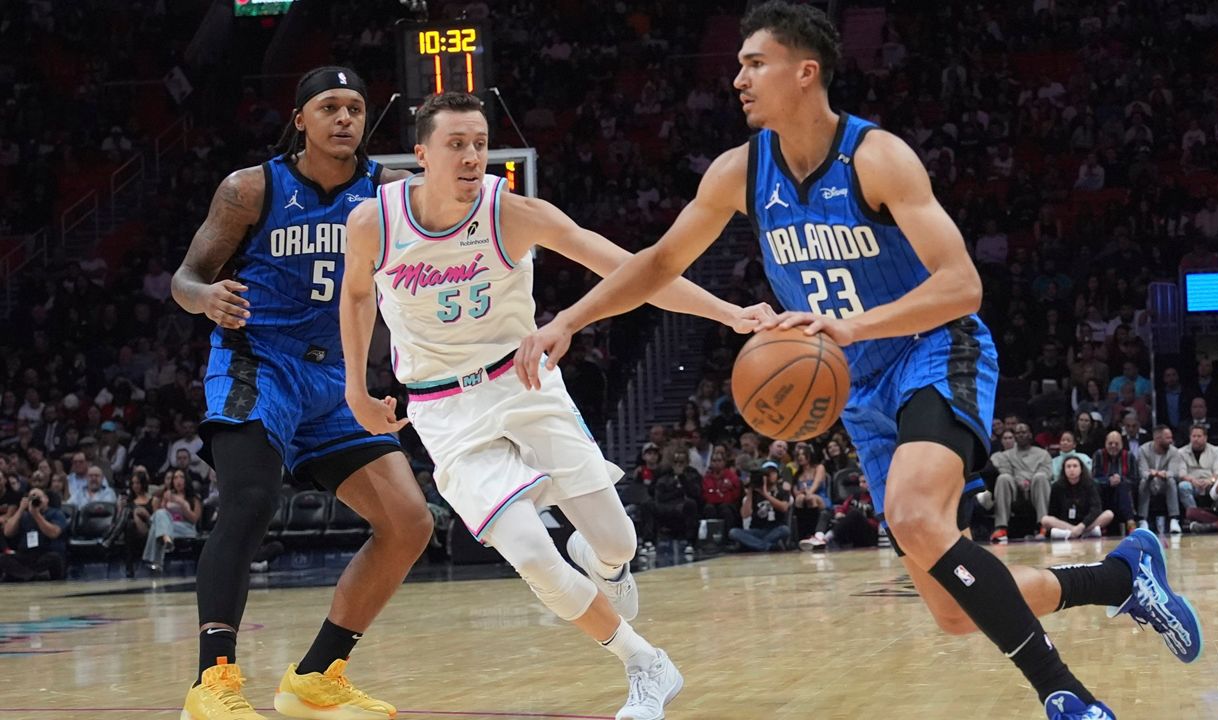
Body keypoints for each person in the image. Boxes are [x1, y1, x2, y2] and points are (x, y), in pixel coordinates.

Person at [515, 5, 1201, 718]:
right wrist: (570, 319)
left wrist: (852, 325)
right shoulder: (739, 173)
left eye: (755, 63)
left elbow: (961, 284)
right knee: (954, 609)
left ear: (804, 71)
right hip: (860, 384)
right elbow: (659, 263)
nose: (738, 78)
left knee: (909, 513)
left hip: (935, 349)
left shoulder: (876, 157)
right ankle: (1120, 578)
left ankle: (1069, 697)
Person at [340, 91, 763, 719]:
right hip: (443, 412)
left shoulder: (512, 214)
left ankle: (603, 560)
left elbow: (633, 270)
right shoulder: (373, 222)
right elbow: (355, 298)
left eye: (479, 144)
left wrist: (729, 313)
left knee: (617, 541)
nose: (471, 157)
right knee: (533, 555)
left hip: (524, 385)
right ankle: (646, 666)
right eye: (456, 144)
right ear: (421, 154)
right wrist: (355, 387)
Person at [170, 66, 433, 720]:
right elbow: (185, 278)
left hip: (336, 379)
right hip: (260, 365)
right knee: (252, 501)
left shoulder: (389, 192)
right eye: (329, 107)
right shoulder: (250, 189)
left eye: (354, 107)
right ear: (300, 120)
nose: (344, 118)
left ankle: (316, 675)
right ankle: (214, 683)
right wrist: (206, 298)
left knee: (408, 522)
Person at [0, 487, 70, 581]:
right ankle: (29, 575)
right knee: (3, 558)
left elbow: (53, 533)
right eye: (31, 498)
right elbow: (8, 533)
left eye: (38, 497)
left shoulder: (56, 513)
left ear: (46, 499)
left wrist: (36, 514)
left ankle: (25, 575)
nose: (35, 500)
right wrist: (20, 509)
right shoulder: (24, 515)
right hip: (25, 555)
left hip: (45, 553)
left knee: (54, 558)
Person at [1041, 457, 1114, 540]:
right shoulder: (1057, 487)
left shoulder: (1090, 484)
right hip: (1065, 524)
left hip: (1087, 523)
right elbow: (1052, 512)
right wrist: (1074, 528)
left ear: (1081, 469)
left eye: (1075, 466)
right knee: (1045, 519)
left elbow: (1096, 509)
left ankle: (1074, 533)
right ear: (1064, 470)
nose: (1072, 469)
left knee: (1109, 514)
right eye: (1068, 467)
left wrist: (1082, 525)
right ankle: (1079, 533)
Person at [728, 464, 792, 551]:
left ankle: (752, 545)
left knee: (785, 530)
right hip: (757, 530)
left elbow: (784, 508)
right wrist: (750, 490)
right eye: (767, 473)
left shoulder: (782, 491)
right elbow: (745, 515)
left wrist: (765, 494)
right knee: (733, 532)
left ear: (778, 475)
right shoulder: (754, 493)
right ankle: (768, 546)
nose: (770, 475)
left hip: (775, 529)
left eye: (773, 472)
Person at [1092, 432, 1138, 535]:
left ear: (1121, 444)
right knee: (1096, 487)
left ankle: (1130, 523)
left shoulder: (1129, 456)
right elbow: (1094, 479)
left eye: (1116, 443)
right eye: (1110, 443)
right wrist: (1109, 481)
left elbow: (1135, 480)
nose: (1113, 446)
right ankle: (1102, 523)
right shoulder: (1099, 455)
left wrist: (1120, 479)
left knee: (1122, 486)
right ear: (1105, 443)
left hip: (1124, 495)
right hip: (1104, 494)